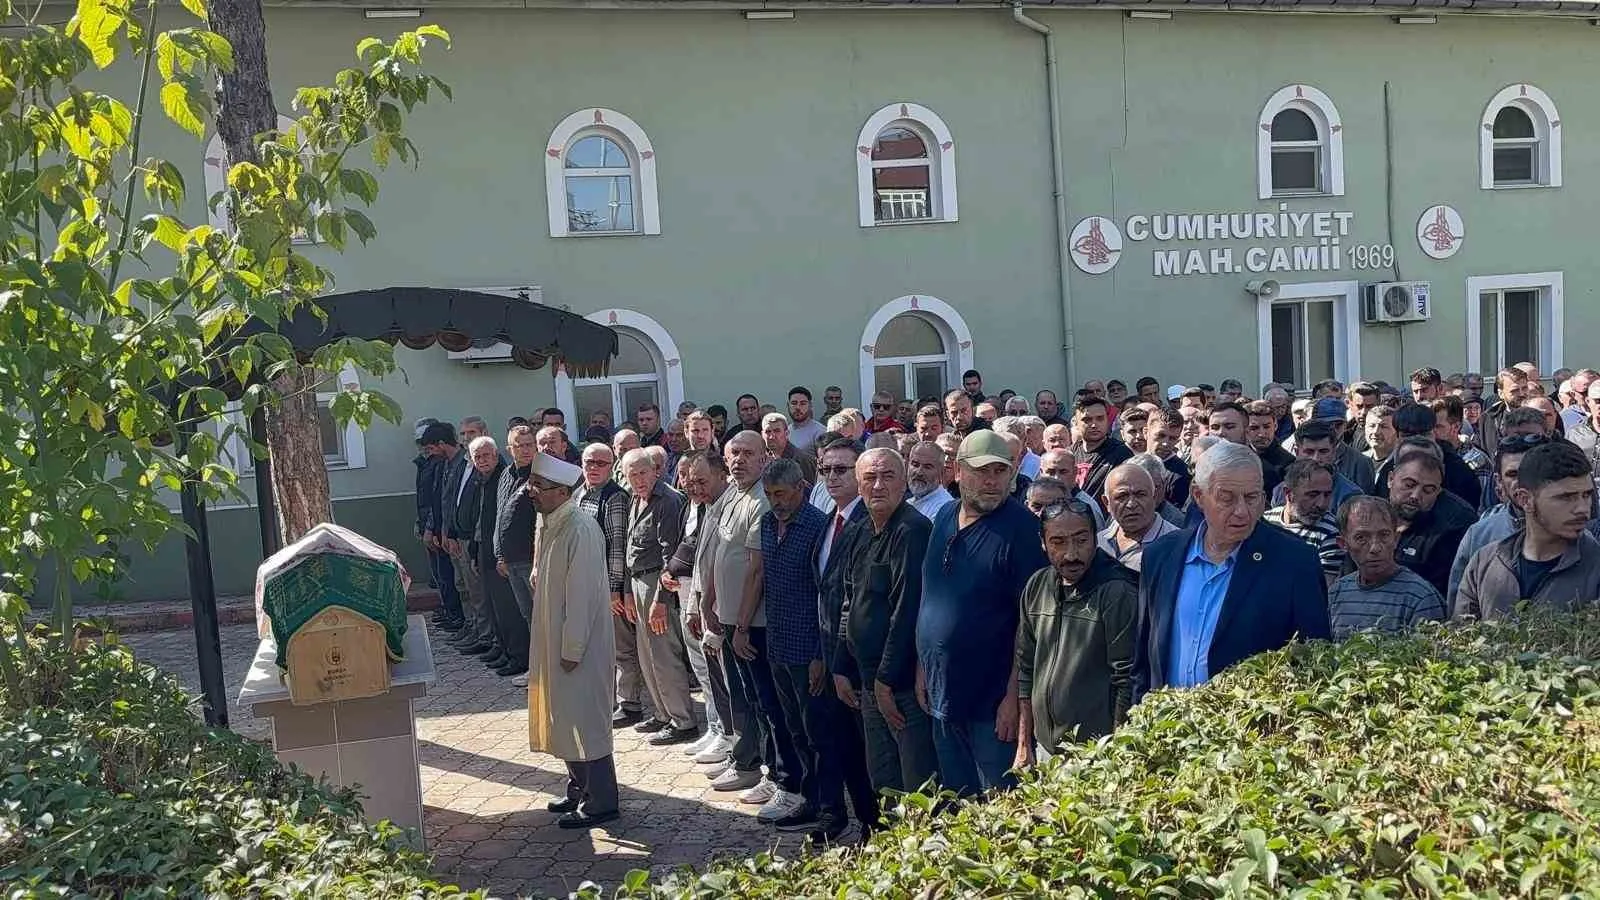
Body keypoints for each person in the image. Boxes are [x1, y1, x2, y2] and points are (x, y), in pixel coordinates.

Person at [1132, 442, 1331, 699]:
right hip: (1166, 727)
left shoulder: (1295, 562)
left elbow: (1315, 665)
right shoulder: (1161, 555)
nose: (1241, 511)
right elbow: (1143, 659)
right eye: (1226, 498)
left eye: (1252, 497)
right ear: (1198, 495)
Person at [916, 431, 1049, 795]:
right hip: (944, 692)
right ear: (957, 472)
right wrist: (922, 667)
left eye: (1000, 472)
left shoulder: (1021, 530)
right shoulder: (944, 516)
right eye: (981, 472)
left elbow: (1031, 624)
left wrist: (1014, 701)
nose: (992, 482)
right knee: (956, 801)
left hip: (993, 706)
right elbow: (930, 595)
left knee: (999, 805)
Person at [839, 448, 939, 816]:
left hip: (899, 688)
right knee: (882, 781)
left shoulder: (912, 530)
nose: (878, 486)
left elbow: (906, 610)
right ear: (858, 484)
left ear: (904, 482)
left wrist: (885, 679)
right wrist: (840, 666)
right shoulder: (862, 527)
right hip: (867, 681)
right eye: (870, 478)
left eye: (888, 477)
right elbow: (848, 597)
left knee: (916, 788)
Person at [524, 453, 620, 830]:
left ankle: (602, 802)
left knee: (586, 720)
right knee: (563, 717)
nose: (531, 492)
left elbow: (579, 597)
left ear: (562, 492)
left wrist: (571, 648)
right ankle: (579, 789)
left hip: (577, 647)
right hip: (556, 643)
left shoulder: (579, 529)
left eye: (539, 487)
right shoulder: (551, 523)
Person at [1015, 499, 1137, 767]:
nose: (1072, 554)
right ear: (1043, 543)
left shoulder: (1117, 592)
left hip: (1096, 754)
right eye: (1058, 542)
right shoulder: (1037, 587)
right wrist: (1024, 743)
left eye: (1081, 540)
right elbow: (1026, 668)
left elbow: (1126, 679)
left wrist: (1117, 753)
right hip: (1045, 748)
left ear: (1095, 538)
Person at [703, 432, 786, 803]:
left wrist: (739, 625)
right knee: (743, 699)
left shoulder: (761, 500)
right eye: (733, 453)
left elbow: (756, 570)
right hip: (730, 618)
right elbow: (719, 550)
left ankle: (772, 772)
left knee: (765, 703)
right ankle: (748, 761)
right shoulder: (733, 495)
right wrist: (709, 601)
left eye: (748, 453)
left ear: (765, 458)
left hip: (754, 625)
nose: (739, 459)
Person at [755, 458, 833, 832]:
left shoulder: (818, 526)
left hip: (808, 648)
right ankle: (806, 796)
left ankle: (824, 803)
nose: (776, 502)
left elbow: (825, 595)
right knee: (793, 727)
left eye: (782, 494)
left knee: (816, 730)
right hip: (778, 642)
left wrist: (820, 653)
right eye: (769, 495)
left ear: (801, 487)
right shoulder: (768, 523)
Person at [1456, 441, 1600, 619]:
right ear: (1525, 500)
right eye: (1566, 497)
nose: (1582, 508)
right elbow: (1460, 637)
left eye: (1586, 495)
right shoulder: (1484, 563)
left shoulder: (1595, 568)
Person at [618, 449, 697, 745]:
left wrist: (660, 600)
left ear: (655, 470)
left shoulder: (668, 500)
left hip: (657, 584)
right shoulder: (634, 499)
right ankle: (663, 714)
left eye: (642, 472)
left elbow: (670, 554)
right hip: (637, 582)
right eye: (632, 474)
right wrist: (627, 590)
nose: (638, 479)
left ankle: (683, 720)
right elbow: (629, 548)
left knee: (664, 655)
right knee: (646, 656)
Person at [664, 451, 734, 764]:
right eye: (690, 482)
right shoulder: (702, 506)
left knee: (723, 677)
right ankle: (718, 728)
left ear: (722, 475)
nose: (695, 488)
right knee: (707, 673)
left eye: (701, 481)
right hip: (698, 600)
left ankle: (731, 737)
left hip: (723, 609)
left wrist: (704, 605)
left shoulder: (727, 506)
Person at [1327, 496, 1445, 639]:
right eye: (1361, 538)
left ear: (1396, 539)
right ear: (1343, 544)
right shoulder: (1337, 593)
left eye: (1384, 535)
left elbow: (1430, 657)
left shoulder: (1420, 597)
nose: (1375, 548)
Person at [1447, 434, 1548, 601]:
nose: (1522, 481)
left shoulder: (1574, 530)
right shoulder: (1479, 536)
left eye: (1531, 471)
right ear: (1498, 482)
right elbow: (1460, 611)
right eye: (1513, 474)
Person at [463, 436, 529, 677]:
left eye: (486, 455)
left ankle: (518, 656)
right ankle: (504, 650)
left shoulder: (503, 476)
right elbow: (479, 520)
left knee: (509, 609)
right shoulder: (482, 480)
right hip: (485, 550)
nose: (482, 460)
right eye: (477, 457)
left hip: (504, 555)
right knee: (493, 607)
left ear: (496, 454)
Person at [1386, 446, 1476, 597]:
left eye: (1428, 490)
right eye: (1409, 485)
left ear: (1438, 493)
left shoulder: (1451, 530)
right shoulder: (1370, 517)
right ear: (1390, 479)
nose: (1415, 495)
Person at [1263, 459, 1345, 584]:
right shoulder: (1266, 521)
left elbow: (1318, 590)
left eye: (1327, 495)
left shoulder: (1331, 533)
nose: (1321, 504)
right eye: (1312, 495)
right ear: (1289, 494)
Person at [1098, 463, 1179, 572]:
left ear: (1154, 497)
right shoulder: (1098, 542)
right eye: (1122, 496)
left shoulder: (1177, 546)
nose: (1131, 504)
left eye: (1140, 494)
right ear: (1106, 503)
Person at [1073, 396, 1133, 504]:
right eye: (1087, 420)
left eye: (1100, 418)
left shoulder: (1122, 454)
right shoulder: (1070, 454)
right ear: (1076, 423)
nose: (1094, 425)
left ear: (1107, 420)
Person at [761, 412, 817, 484]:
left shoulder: (800, 460)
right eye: (768, 432)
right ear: (762, 435)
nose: (772, 437)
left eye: (777, 431)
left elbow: (811, 492)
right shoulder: (763, 459)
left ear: (787, 433)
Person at [787, 387, 827, 451]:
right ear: (788, 405)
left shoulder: (820, 431)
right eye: (794, 403)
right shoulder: (786, 431)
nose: (798, 407)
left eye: (803, 403)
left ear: (810, 405)